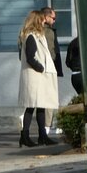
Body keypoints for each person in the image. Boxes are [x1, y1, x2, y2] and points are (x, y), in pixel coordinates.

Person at [18, 10, 59, 146]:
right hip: (34, 76)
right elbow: (31, 57)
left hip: (37, 76)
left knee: (41, 105)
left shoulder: (36, 35)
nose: (43, 22)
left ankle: (42, 136)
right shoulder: (31, 36)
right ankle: (25, 135)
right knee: (31, 106)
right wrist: (40, 67)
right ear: (37, 20)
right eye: (41, 20)